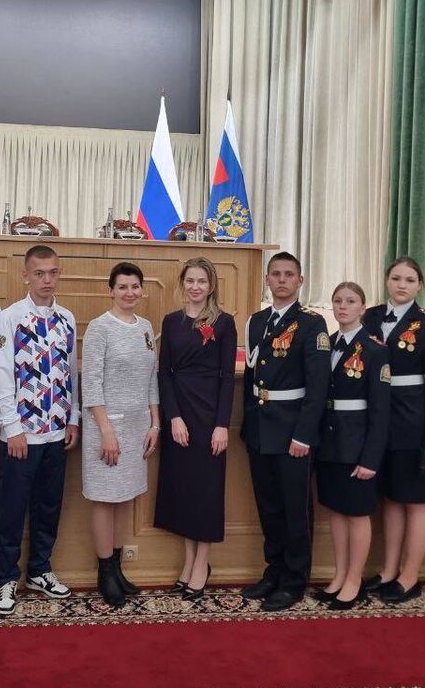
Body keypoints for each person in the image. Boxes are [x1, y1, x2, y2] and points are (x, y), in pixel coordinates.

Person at [0, 245, 79, 617]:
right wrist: (12, 428)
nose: (47, 280)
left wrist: (73, 418)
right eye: (39, 273)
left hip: (57, 431)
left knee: (49, 505)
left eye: (53, 272)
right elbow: (0, 375)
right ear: (26, 275)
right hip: (21, 435)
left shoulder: (67, 318)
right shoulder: (10, 318)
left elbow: (70, 372)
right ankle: (6, 577)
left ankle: (40, 569)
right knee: (13, 508)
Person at [240, 252, 330, 612]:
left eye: (289, 274)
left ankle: (293, 581)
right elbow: (252, 377)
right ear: (267, 279)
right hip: (261, 429)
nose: (281, 280)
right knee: (269, 506)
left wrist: (304, 434)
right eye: (275, 274)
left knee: (295, 510)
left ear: (300, 281)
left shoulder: (311, 324)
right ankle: (274, 571)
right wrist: (249, 425)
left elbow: (318, 386)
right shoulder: (257, 321)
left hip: (293, 432)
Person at [361, 256, 425, 603]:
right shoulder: (370, 317)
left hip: (413, 421)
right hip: (377, 420)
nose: (401, 285)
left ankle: (410, 576)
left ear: (419, 286)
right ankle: (388, 571)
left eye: (409, 280)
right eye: (396, 278)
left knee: (417, 499)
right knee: (392, 498)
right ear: (386, 280)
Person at [153, 257, 237, 597]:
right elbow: (164, 374)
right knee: (184, 493)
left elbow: (228, 377)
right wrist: (173, 417)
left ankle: (202, 562)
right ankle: (188, 561)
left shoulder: (224, 323)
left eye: (202, 281)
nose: (196, 287)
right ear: (182, 284)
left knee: (206, 493)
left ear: (211, 285)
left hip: (209, 416)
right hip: (180, 416)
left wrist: (222, 425)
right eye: (190, 280)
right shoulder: (171, 321)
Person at [80, 262, 159, 608]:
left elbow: (152, 378)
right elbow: (91, 382)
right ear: (110, 290)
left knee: (125, 496)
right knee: (104, 498)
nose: (129, 292)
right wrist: (106, 430)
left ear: (142, 290)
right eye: (122, 287)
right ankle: (104, 572)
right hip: (106, 427)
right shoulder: (100, 328)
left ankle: (117, 567)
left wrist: (155, 423)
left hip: (138, 426)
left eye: (134, 286)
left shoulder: (146, 327)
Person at [314, 282, 391, 610]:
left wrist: (371, 458)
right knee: (336, 510)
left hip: (357, 444)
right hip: (329, 442)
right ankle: (340, 574)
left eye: (350, 301)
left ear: (362, 308)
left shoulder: (374, 350)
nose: (343, 306)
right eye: (337, 301)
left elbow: (380, 411)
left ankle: (354, 580)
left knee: (357, 514)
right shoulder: (327, 344)